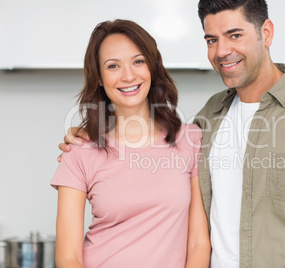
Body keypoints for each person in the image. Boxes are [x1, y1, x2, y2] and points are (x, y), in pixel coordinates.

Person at [59, 1, 285, 267]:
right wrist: (86, 135)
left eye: (235, 35)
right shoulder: (208, 119)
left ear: (267, 32)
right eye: (211, 40)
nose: (221, 51)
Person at [51, 19, 210, 268]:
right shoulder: (79, 150)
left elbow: (199, 244)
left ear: (152, 67)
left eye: (138, 61)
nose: (128, 75)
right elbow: (68, 257)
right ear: (100, 78)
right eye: (113, 66)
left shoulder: (189, 139)